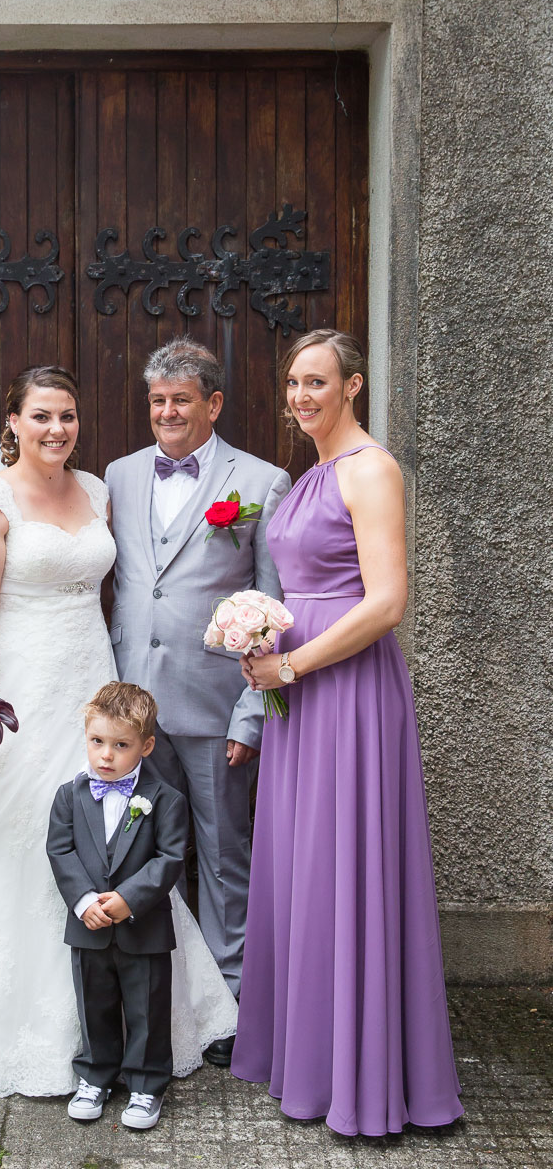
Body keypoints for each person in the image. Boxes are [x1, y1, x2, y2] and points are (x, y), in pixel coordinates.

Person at [0, 365, 237, 1097]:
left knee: (117, 830)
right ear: (13, 421)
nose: (56, 429)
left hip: (91, 681)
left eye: (67, 416)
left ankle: (130, 1012)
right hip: (21, 682)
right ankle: (24, 1025)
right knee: (23, 831)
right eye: (40, 416)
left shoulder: (98, 488)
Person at [230, 330, 463, 1136]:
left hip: (348, 692)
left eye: (318, 383)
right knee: (303, 865)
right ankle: (310, 1055)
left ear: (353, 387)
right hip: (295, 695)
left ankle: (361, 1074)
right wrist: (258, 639)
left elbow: (386, 601)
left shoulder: (370, 470)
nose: (301, 396)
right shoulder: (310, 473)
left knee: (345, 864)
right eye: (294, 382)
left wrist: (291, 669)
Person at [105, 336, 291, 1063]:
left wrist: (255, 712)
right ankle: (158, 997)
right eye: (157, 400)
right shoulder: (118, 476)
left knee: (221, 859)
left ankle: (231, 1005)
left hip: (219, 707)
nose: (167, 412)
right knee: (144, 852)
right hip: (134, 709)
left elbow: (272, 602)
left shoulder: (261, 481)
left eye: (181, 399)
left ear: (212, 403)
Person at [47, 682, 188, 1131]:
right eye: (97, 742)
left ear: (145, 746)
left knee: (147, 1006)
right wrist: (84, 899)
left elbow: (170, 857)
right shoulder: (70, 796)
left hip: (142, 927)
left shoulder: (166, 800)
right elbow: (60, 850)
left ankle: (146, 1084)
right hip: (88, 923)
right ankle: (95, 1076)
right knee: (94, 1002)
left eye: (121, 745)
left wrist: (130, 899)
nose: (106, 755)